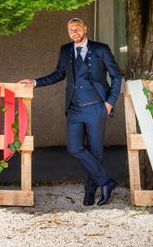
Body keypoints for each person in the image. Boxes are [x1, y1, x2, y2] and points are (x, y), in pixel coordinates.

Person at [20, 17, 122, 206]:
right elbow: (59, 74)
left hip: (96, 107)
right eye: (71, 29)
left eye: (77, 28)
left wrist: (109, 102)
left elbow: (116, 76)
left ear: (85, 29)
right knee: (74, 148)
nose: (74, 31)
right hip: (74, 109)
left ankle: (90, 191)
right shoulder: (65, 50)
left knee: (96, 151)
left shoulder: (101, 49)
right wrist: (35, 82)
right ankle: (106, 182)